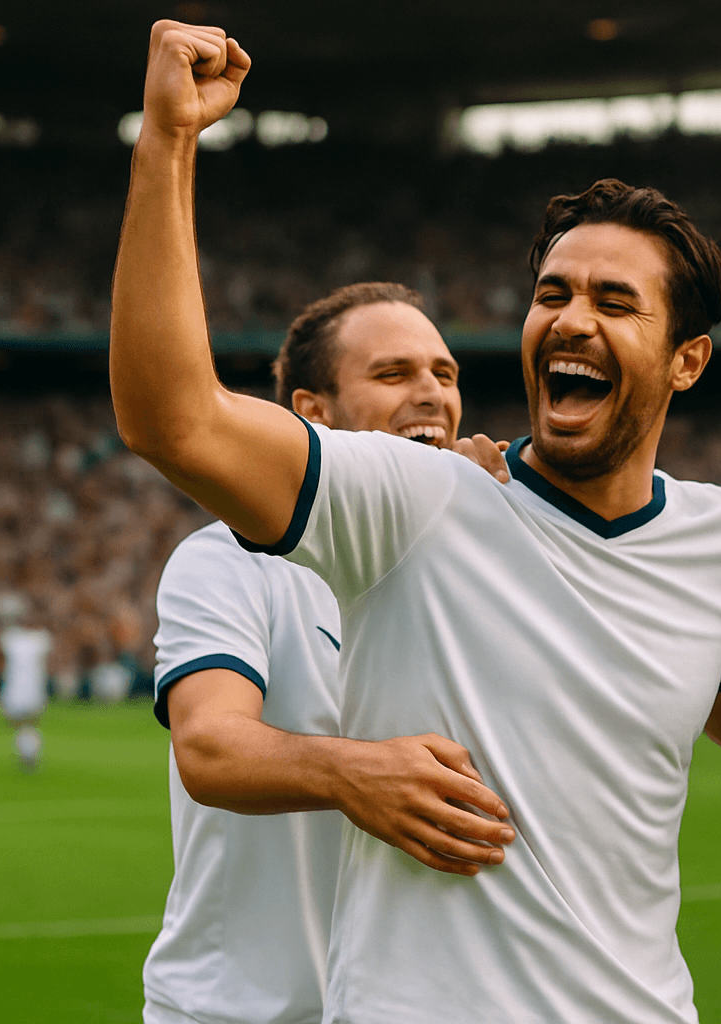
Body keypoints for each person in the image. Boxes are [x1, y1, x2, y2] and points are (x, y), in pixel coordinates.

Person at [112, 22, 721, 1024]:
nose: (571, 318)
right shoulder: (417, 503)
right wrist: (168, 144)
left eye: (615, 301)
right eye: (552, 293)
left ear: (689, 359)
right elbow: (176, 419)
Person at [143, 281, 514, 1024]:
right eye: (393, 374)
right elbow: (210, 747)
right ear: (311, 411)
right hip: (239, 1013)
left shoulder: (486, 565)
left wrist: (495, 544)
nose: (432, 394)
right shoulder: (230, 558)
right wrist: (353, 774)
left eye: (445, 374)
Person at [0, 593, 51, 772]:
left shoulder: (36, 638)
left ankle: (28, 754)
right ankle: (29, 753)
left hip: (23, 688)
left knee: (23, 723)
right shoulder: (24, 638)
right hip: (27, 688)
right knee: (25, 724)